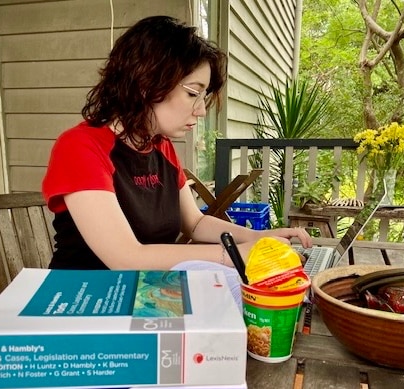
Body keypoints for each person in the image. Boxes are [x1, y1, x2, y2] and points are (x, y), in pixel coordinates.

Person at [41, 16, 312, 302]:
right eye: (192, 93)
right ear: (146, 83)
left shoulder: (160, 147)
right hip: (82, 301)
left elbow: (194, 223)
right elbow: (126, 257)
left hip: (144, 296)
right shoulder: (80, 147)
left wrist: (255, 238)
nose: (201, 110)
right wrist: (231, 256)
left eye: (203, 96)